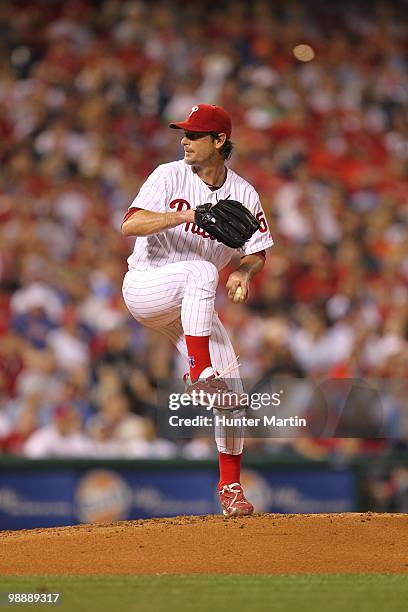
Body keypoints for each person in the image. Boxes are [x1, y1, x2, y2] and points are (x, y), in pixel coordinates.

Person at [121, 104, 274, 516]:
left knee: (233, 395)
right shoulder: (168, 175)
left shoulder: (244, 193)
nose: (184, 140)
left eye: (193, 134)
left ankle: (230, 488)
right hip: (147, 287)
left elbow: (257, 251)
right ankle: (198, 370)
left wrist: (244, 274)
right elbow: (129, 225)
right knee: (202, 270)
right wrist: (188, 213)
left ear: (219, 141)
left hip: (192, 307)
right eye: (183, 134)